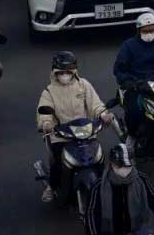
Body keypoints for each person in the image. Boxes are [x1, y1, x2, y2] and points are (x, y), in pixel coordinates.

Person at [37, 51, 115, 202]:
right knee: (57, 164)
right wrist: (46, 123)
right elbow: (44, 111)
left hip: (85, 133)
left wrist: (104, 115)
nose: (65, 75)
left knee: (98, 159)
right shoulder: (49, 92)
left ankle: (104, 185)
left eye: (68, 71)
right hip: (61, 136)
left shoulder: (83, 85)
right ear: (55, 72)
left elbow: (96, 104)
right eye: (61, 72)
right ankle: (52, 187)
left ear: (74, 71)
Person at [85, 144, 154, 235]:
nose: (125, 170)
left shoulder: (141, 180)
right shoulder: (99, 187)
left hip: (136, 228)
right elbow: (91, 213)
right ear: (112, 164)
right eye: (121, 166)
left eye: (128, 166)